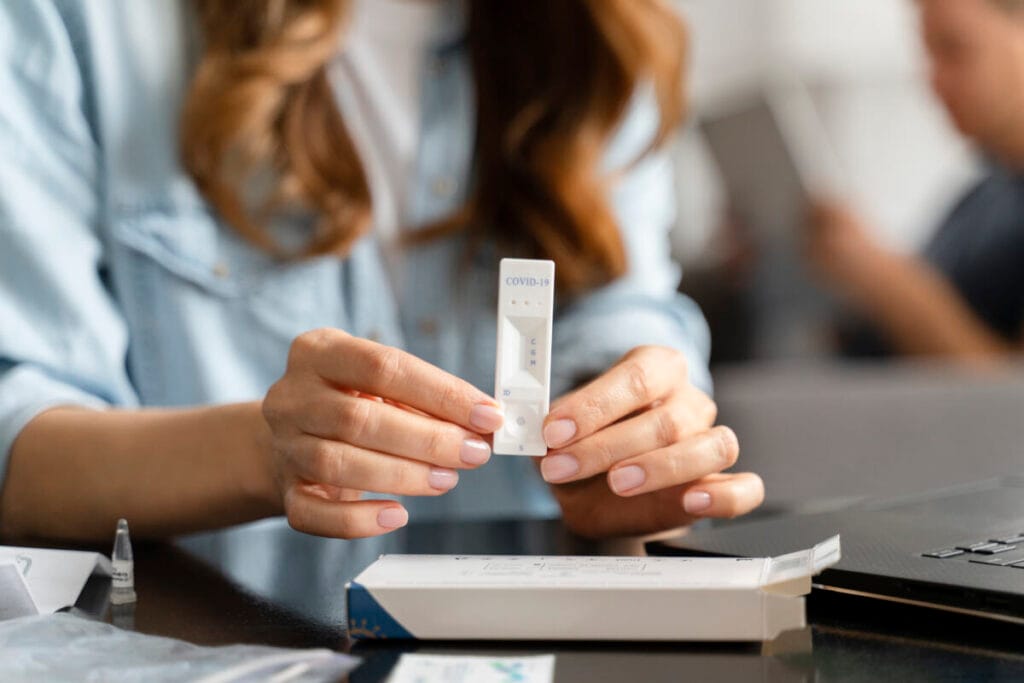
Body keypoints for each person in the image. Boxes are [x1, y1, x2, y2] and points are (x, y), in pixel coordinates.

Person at [0, 0, 763, 543]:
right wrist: (266, 452)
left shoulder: (602, 37)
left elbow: (620, 315)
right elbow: (18, 447)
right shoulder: (85, 21)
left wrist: (636, 438)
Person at [808, 0, 1024, 362]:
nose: (933, 79)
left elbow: (1009, 398)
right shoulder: (982, 197)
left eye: (954, 50)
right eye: (928, 54)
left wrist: (882, 278)